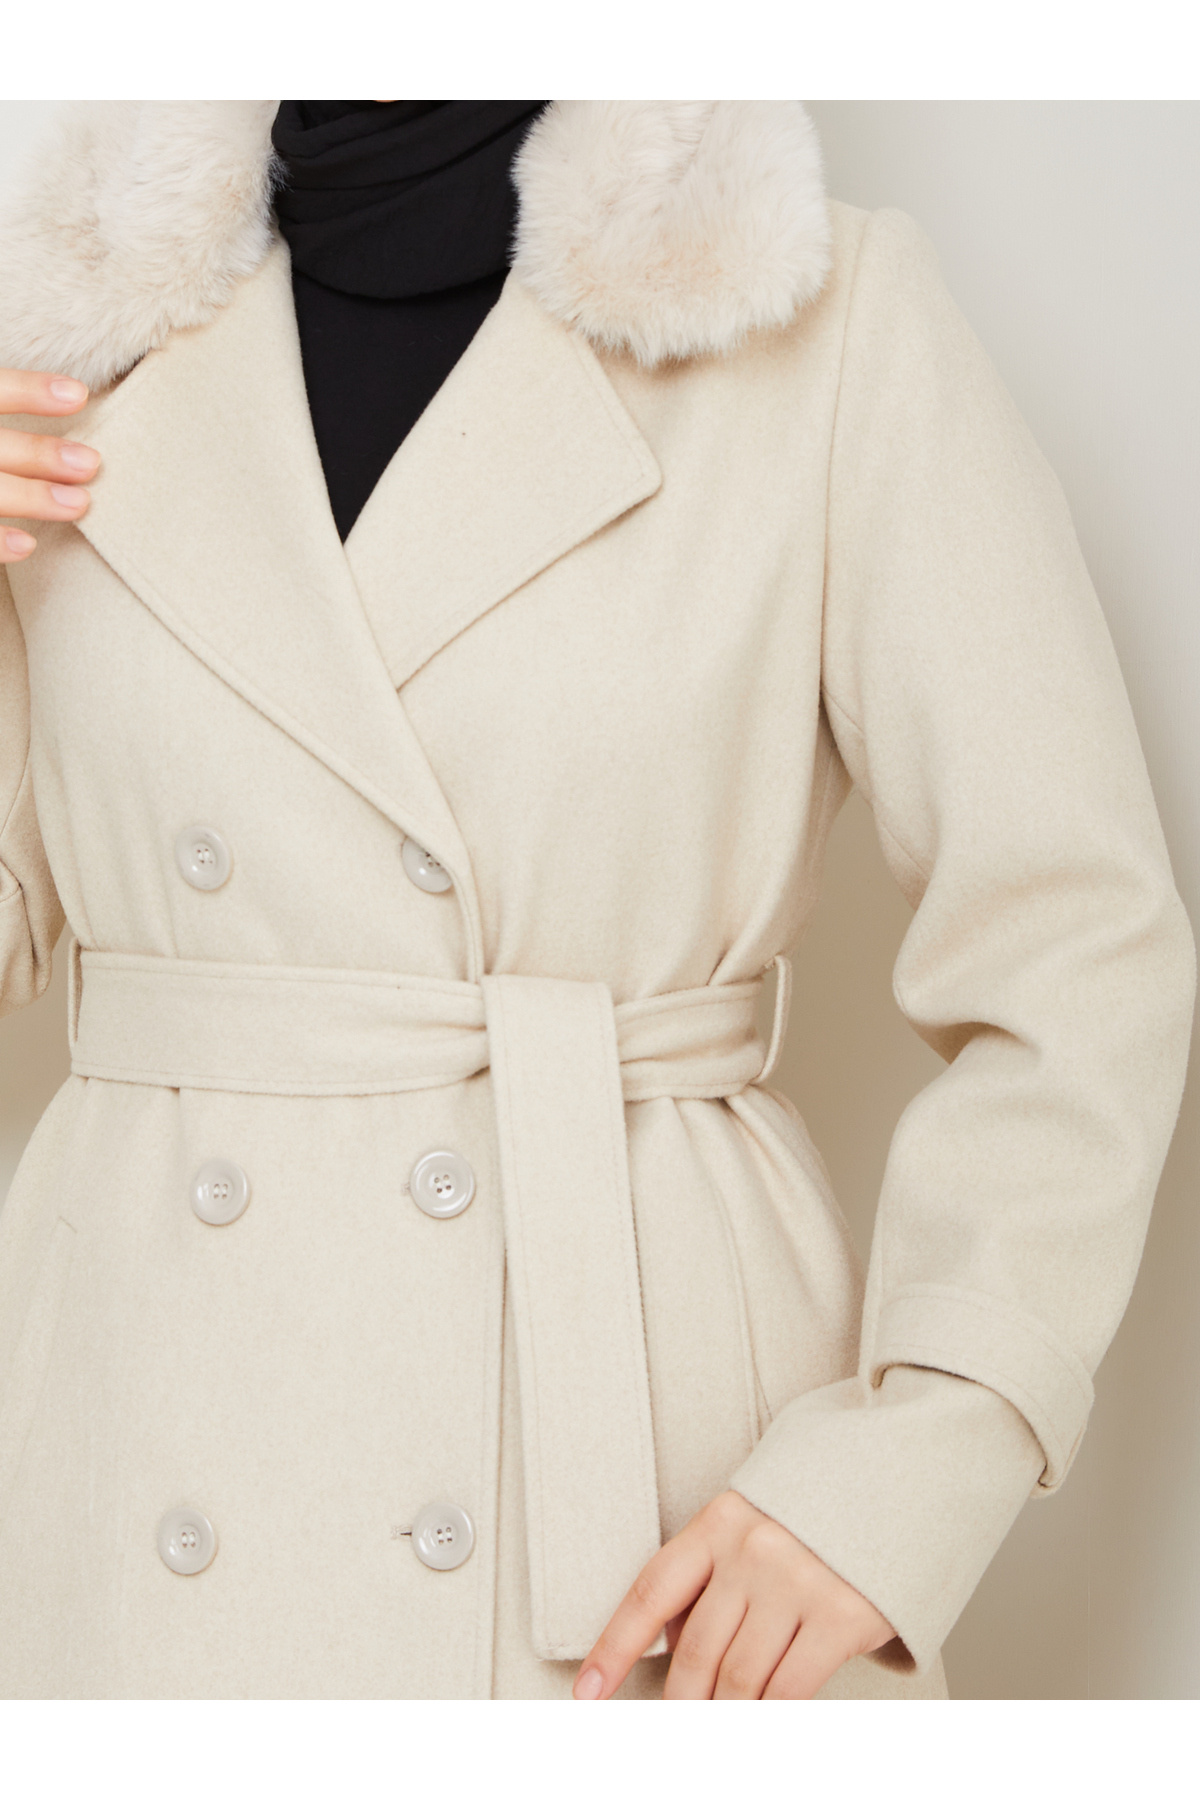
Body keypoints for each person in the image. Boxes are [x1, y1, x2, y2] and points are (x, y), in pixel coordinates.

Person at [0, 99, 1193, 1701]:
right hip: (131, 1439)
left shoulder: (825, 320)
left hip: (650, 1476)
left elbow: (1080, 951)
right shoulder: (66, 335)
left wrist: (918, 1457)